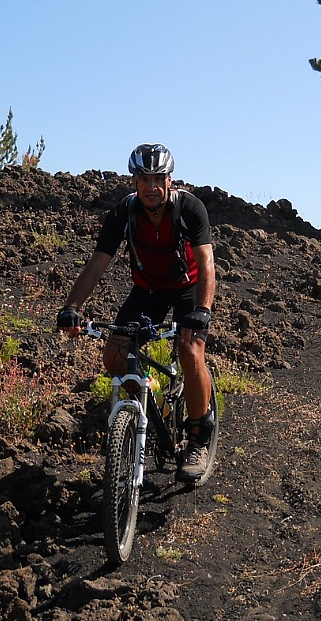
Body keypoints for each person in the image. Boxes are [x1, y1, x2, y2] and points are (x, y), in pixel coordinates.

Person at [56, 143, 217, 483]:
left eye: (158, 178)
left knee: (190, 351)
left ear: (169, 180)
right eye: (144, 178)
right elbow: (98, 262)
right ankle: (150, 401)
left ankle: (199, 438)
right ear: (134, 181)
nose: (151, 186)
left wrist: (202, 310)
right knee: (114, 355)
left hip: (187, 289)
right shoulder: (122, 213)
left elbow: (205, 263)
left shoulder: (189, 208)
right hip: (148, 291)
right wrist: (72, 307)